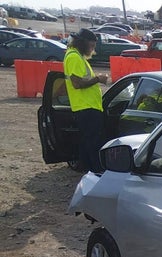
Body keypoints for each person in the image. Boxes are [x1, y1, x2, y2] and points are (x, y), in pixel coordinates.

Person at [63, 29, 108, 172]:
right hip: (86, 107)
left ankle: (86, 168)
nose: (92, 49)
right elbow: (77, 84)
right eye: (92, 45)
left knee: (87, 140)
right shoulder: (74, 57)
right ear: (83, 43)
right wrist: (98, 79)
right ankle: (96, 171)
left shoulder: (76, 56)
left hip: (86, 106)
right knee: (93, 142)